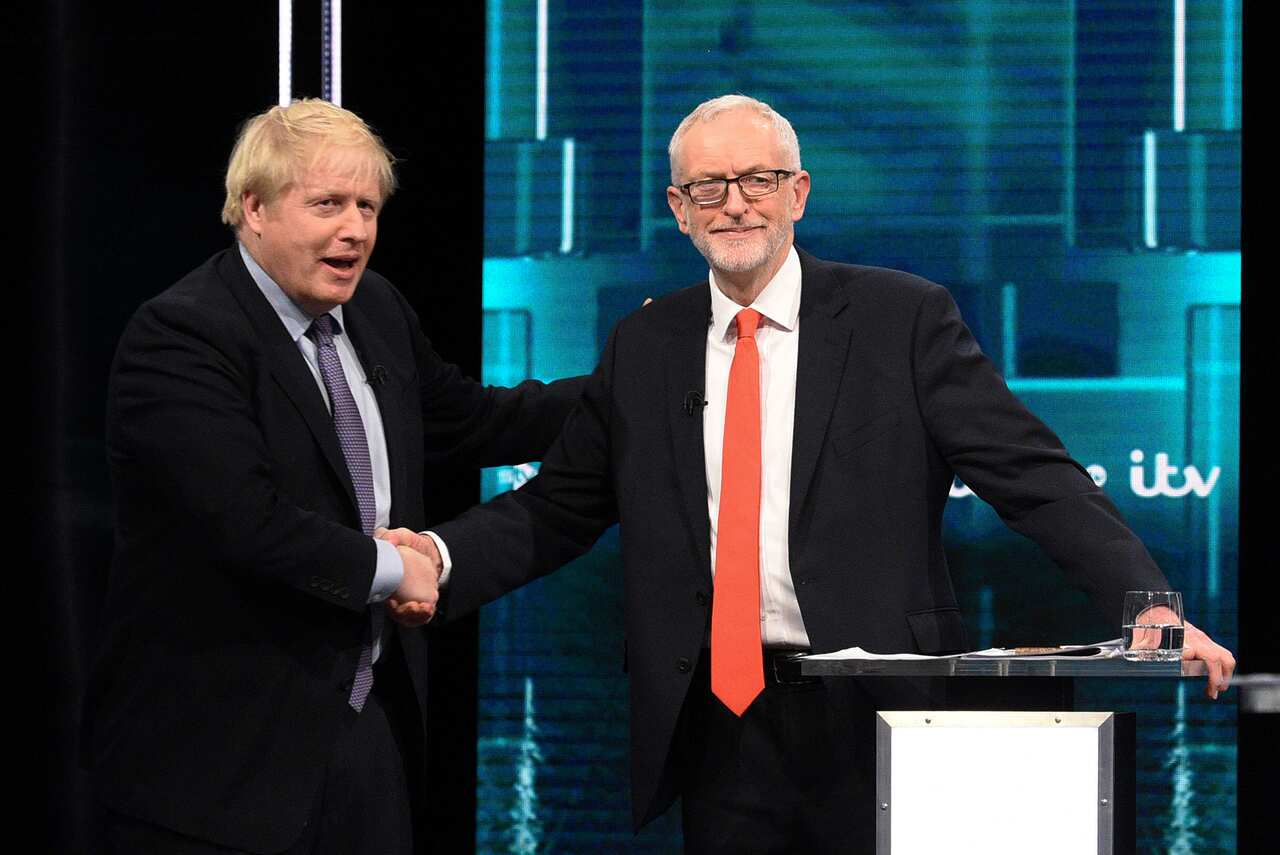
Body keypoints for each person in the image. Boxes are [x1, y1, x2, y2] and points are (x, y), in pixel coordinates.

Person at [383, 94, 1237, 852]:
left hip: (882, 710)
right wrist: (438, 559)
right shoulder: (646, 344)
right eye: (709, 187)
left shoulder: (901, 316)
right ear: (679, 211)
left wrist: (1150, 603)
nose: (735, 203)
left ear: (799, 193)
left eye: (758, 179)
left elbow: (1033, 475)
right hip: (720, 722)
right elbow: (560, 505)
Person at [81, 99, 584, 855]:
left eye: (367, 207)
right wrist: (399, 569)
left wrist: (625, 383)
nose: (354, 229)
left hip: (365, 737)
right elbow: (247, 523)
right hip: (217, 764)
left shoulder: (375, 308)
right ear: (253, 207)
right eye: (327, 204)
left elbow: (474, 421)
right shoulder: (183, 335)